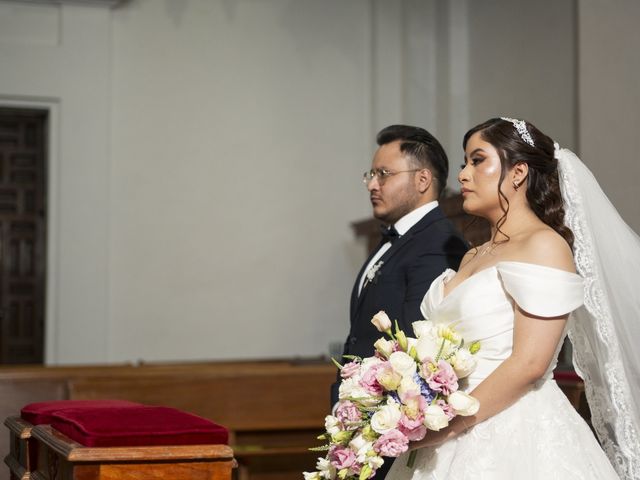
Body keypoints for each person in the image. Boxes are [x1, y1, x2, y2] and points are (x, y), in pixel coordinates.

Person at [388, 117, 640, 479]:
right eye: (464, 163)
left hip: (515, 432)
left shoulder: (544, 245)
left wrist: (447, 426)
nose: (462, 175)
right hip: (443, 429)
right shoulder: (472, 255)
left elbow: (530, 363)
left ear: (518, 172)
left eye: (477, 160)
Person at [331, 125, 468, 478]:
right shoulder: (397, 237)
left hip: (392, 427)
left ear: (423, 179)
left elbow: (418, 346)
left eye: (384, 174)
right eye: (371, 175)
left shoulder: (437, 244)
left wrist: (377, 428)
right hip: (364, 417)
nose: (372, 184)